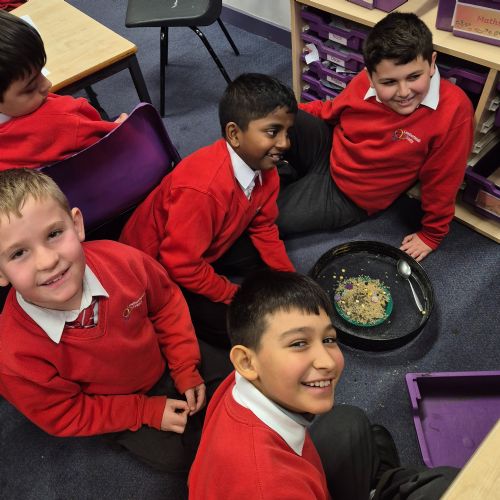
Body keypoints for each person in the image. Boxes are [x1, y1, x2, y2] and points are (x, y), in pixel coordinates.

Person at [0, 168, 231, 472]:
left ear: (76, 225)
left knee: (238, 380)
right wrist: (144, 411)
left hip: (165, 355)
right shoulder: (13, 356)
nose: (47, 261)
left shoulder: (122, 260)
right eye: (18, 253)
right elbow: (67, 412)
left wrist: (185, 365)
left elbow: (165, 303)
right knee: (189, 458)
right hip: (118, 404)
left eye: (54, 234)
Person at [188, 269, 459, 499]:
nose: (328, 361)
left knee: (350, 421)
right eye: (298, 343)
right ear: (246, 362)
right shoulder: (271, 487)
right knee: (447, 486)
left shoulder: (239, 383)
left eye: (328, 339)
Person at [277, 12, 474, 262]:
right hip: (330, 147)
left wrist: (432, 235)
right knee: (271, 115)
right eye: (389, 82)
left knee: (264, 215)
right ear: (370, 76)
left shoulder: (454, 111)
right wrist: (288, 115)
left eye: (414, 77)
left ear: (432, 63)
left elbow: (443, 181)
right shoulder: (365, 81)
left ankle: (280, 177)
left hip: (349, 196)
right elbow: (331, 110)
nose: (404, 92)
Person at [120, 73, 296, 348]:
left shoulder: (266, 168)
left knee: (268, 262)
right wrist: (230, 293)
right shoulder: (203, 190)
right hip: (158, 268)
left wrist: (289, 277)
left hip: (202, 245)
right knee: (239, 330)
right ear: (234, 134)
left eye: (287, 132)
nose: (285, 143)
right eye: (273, 132)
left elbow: (263, 226)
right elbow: (180, 264)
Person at [0, 10, 127, 170]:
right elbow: (120, 141)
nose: (47, 84)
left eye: (41, 71)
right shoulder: (65, 118)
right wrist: (125, 126)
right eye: (30, 88)